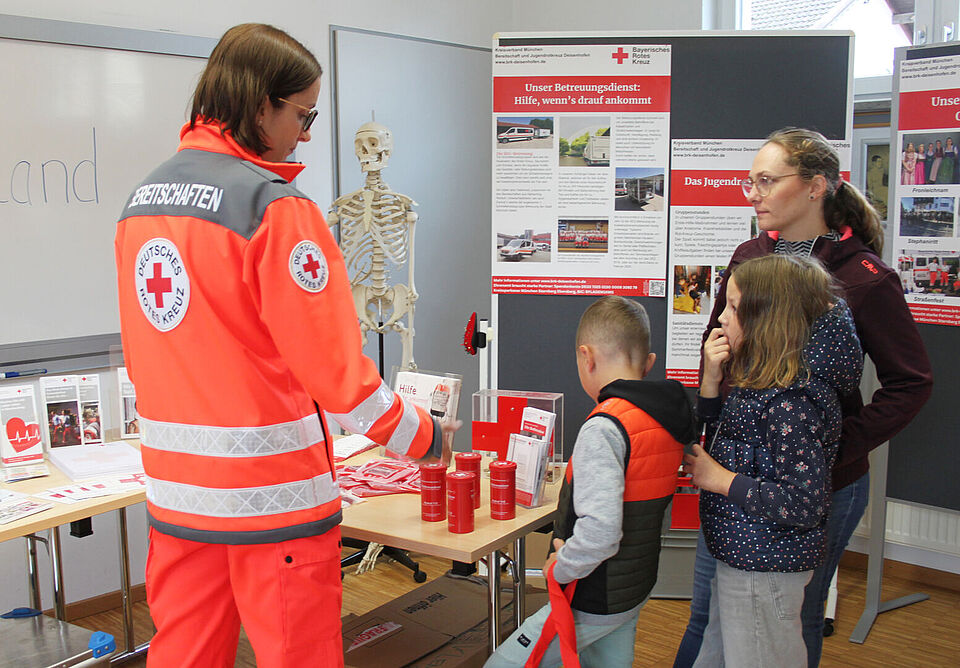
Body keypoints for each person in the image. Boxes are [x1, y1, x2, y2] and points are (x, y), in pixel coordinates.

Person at [114, 24, 456, 668]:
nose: (305, 133)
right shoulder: (275, 209)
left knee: (183, 654)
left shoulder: (142, 204)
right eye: (302, 114)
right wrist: (426, 436)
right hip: (272, 503)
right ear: (258, 102)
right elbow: (338, 375)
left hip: (177, 499)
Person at [674, 127, 933, 668]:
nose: (753, 194)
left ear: (816, 186)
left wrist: (831, 445)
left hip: (820, 484)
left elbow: (910, 382)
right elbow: (719, 346)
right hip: (735, 479)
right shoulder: (748, 257)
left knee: (797, 618)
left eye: (767, 181)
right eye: (750, 182)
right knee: (708, 614)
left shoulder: (863, 279)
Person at [485, 296, 697, 668]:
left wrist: (558, 566)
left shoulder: (605, 427)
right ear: (648, 363)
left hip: (591, 595)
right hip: (632, 588)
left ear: (587, 357)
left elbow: (600, 533)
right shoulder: (665, 421)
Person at [684, 255, 863, 667]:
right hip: (744, 555)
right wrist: (711, 382)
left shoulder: (793, 402)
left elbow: (804, 503)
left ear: (767, 320)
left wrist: (722, 481)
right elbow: (726, 439)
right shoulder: (764, 381)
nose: (721, 320)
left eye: (733, 307)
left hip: (763, 568)